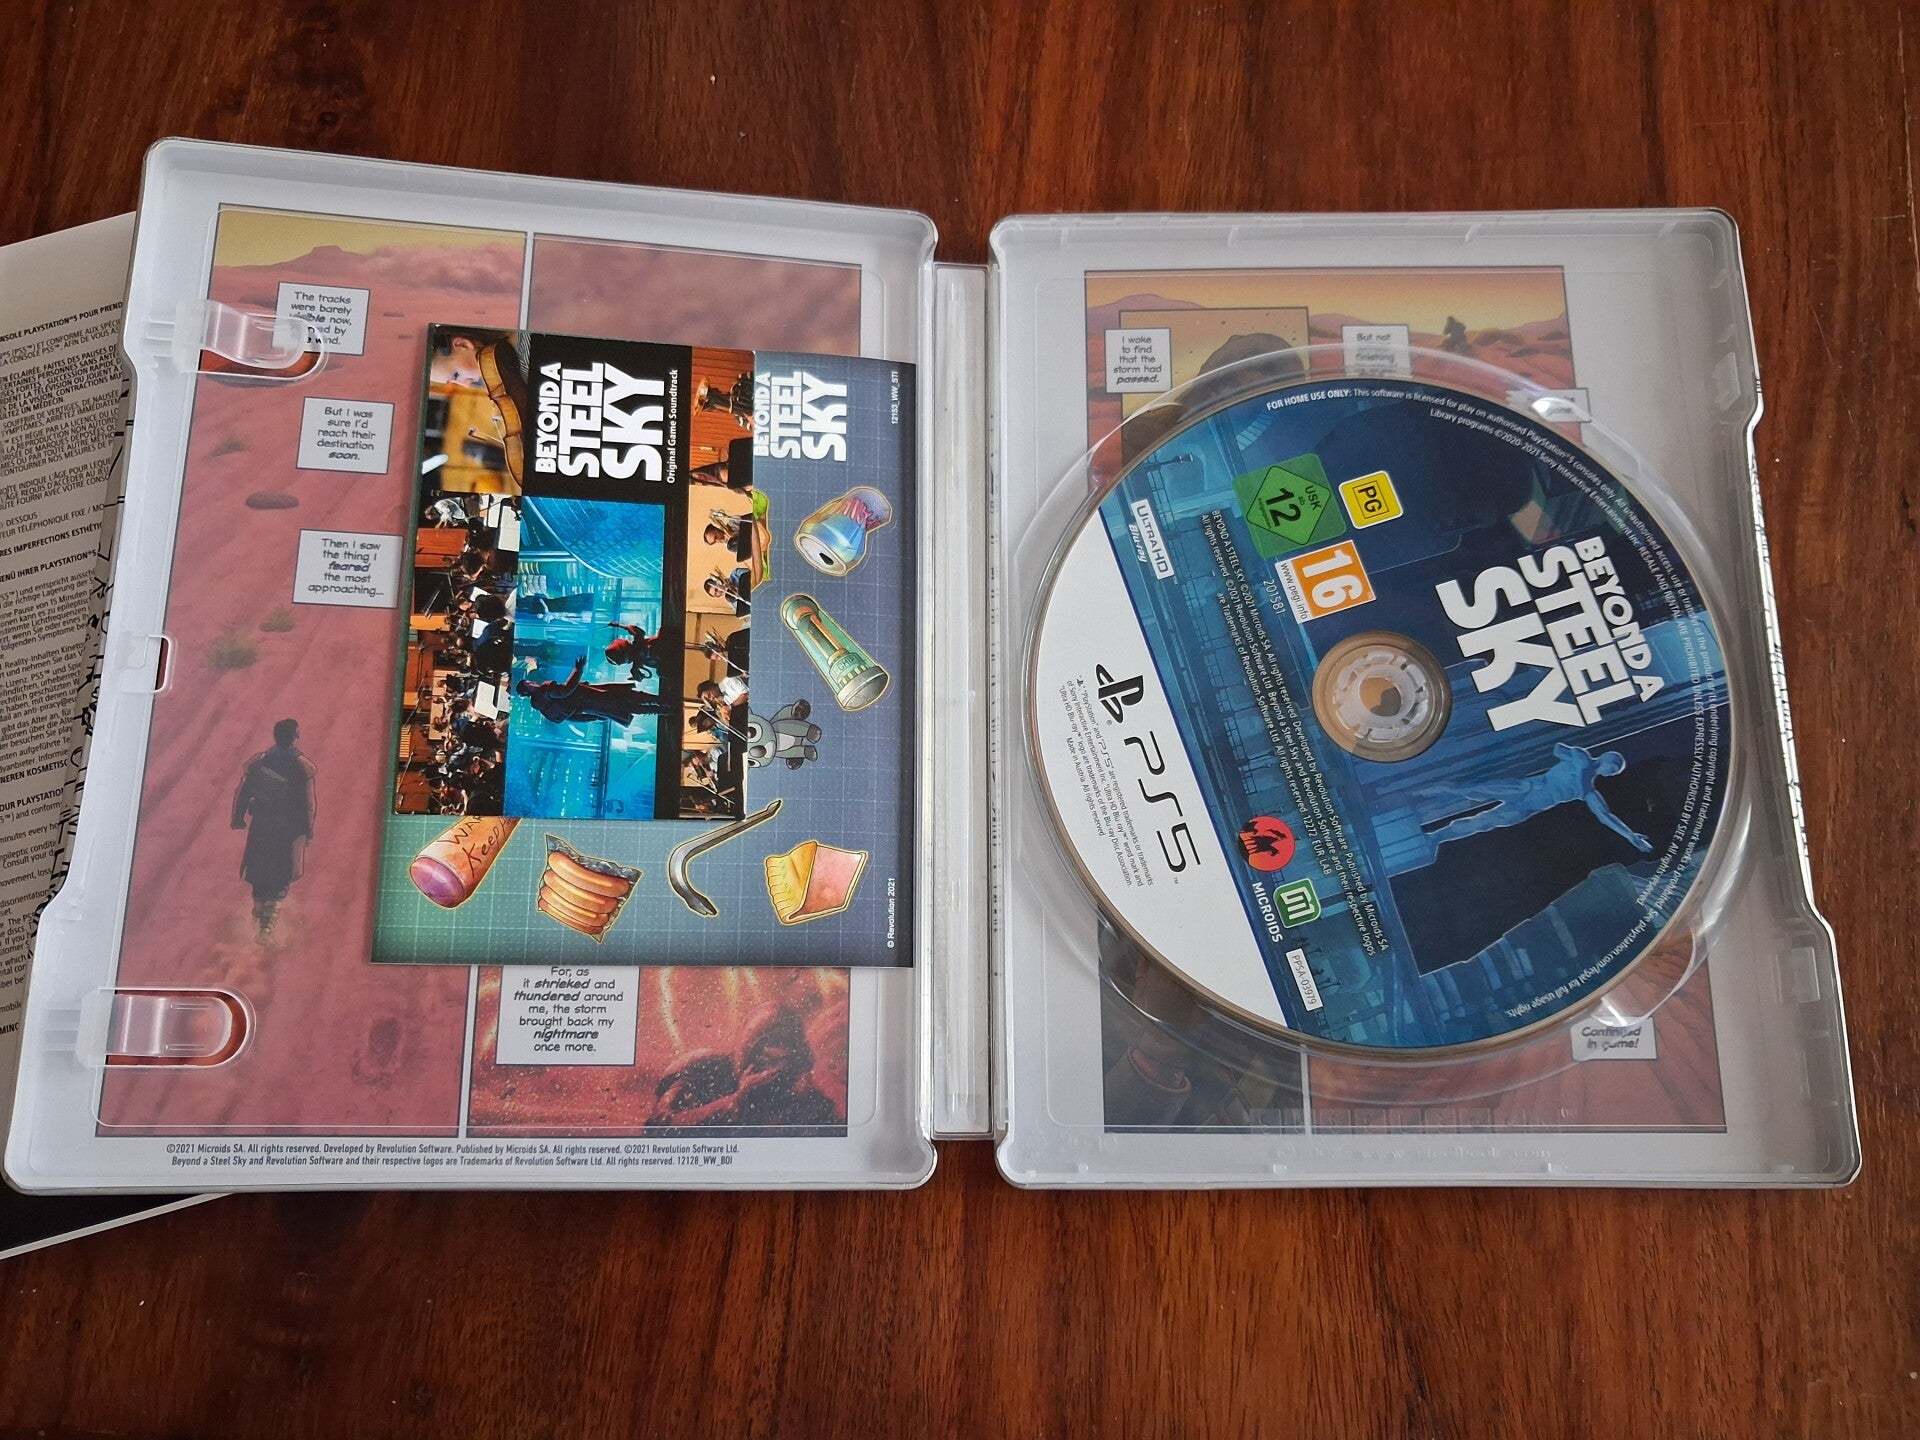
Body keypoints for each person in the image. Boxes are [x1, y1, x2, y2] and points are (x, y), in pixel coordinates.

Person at [1428, 743, 1652, 853]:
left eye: (1615, 772)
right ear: (1605, 758)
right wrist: (1575, 759)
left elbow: (1605, 816)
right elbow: (1558, 749)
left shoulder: (1587, 791)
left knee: (1482, 823)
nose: (1612, 772)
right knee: (1472, 790)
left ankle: (1436, 837)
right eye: (1613, 766)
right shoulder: (1581, 758)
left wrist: (1630, 835)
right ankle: (1428, 791)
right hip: (1525, 788)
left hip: (1528, 808)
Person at [231, 718, 317, 939]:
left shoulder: (259, 761)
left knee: (259, 872)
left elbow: (243, 792)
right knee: (281, 877)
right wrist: (308, 830)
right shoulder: (302, 767)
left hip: (261, 826)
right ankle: (267, 927)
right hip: (288, 831)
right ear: (295, 737)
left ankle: (260, 917)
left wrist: (237, 818)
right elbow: (309, 805)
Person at [515, 657, 670, 727]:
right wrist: (578, 669)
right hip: (596, 696)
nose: (532, 682)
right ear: (528, 688)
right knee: (633, 698)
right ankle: (664, 703)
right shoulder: (544, 690)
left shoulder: (543, 707)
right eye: (529, 683)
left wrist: (594, 716)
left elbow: (572, 718)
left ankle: (663, 710)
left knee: (632, 707)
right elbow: (566, 690)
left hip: (594, 707)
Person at [604, 621, 670, 682]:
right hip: (670, 644)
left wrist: (637, 674)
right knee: (663, 630)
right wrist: (619, 625)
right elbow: (634, 629)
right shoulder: (639, 642)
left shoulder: (637, 663)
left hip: (670, 660)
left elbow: (639, 677)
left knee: (661, 672)